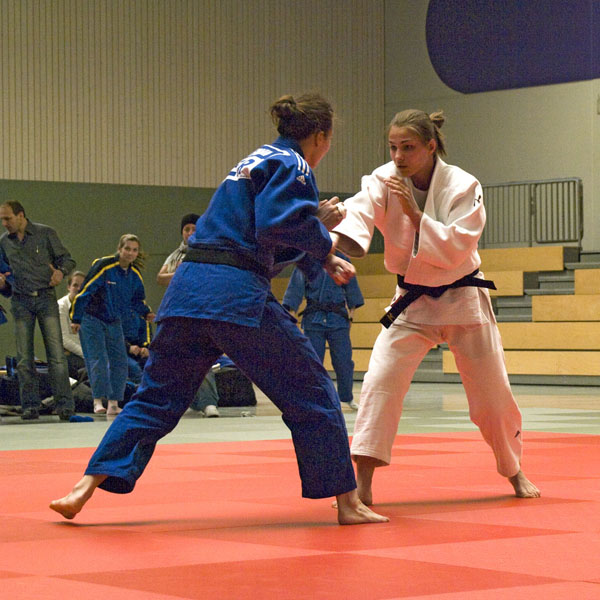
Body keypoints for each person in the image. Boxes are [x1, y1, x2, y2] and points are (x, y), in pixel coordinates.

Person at [50, 92, 388, 526]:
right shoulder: (294, 164)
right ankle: (348, 502)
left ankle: (84, 486)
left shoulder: (248, 164)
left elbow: (261, 243)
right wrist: (322, 241)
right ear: (320, 136)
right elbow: (276, 224)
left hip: (187, 294)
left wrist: (316, 240)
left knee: (155, 399)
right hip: (233, 296)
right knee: (312, 390)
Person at [331, 109, 540, 505]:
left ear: (430, 146)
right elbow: (359, 210)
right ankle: (364, 482)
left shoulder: (464, 184)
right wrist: (339, 234)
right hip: (412, 302)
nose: (398, 156)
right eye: (393, 147)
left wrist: (413, 211)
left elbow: (457, 246)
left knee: (492, 397)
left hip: (463, 298)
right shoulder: (383, 179)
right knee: (380, 384)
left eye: (407, 147)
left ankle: (514, 471)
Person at [0, 201, 76, 421]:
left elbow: (67, 260)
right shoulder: (3, 242)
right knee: (24, 357)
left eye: (8, 218)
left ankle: (65, 406)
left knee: (56, 353)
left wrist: (61, 273)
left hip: (45, 298)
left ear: (21, 215)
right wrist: (3, 285)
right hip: (20, 301)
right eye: (2, 219)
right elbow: (5, 278)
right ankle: (30, 406)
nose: (4, 223)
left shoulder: (45, 233)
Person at [70, 234, 154, 416]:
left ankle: (114, 403)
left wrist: (146, 312)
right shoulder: (104, 266)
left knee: (120, 362)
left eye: (134, 250)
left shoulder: (134, 275)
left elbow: (136, 299)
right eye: (127, 249)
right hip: (92, 318)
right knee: (98, 359)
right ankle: (98, 401)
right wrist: (76, 318)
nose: (130, 253)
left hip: (114, 321)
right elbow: (85, 291)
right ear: (119, 249)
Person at [282, 251, 364, 410]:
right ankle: (316, 398)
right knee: (314, 362)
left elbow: (352, 291)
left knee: (344, 361)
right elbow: (295, 292)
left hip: (338, 319)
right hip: (314, 319)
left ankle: (347, 397)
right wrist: (291, 316)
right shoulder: (305, 261)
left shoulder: (343, 260)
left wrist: (351, 316)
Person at [156, 213, 200, 287]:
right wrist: (181, 273)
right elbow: (160, 278)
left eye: (194, 230)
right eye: (187, 229)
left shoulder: (206, 252)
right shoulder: (175, 255)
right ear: (182, 232)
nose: (190, 233)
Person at [57, 271, 87, 379]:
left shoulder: (89, 305)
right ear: (68, 287)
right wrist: (86, 355)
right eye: (75, 285)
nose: (79, 289)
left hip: (88, 352)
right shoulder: (61, 307)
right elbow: (64, 339)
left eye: (82, 286)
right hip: (69, 354)